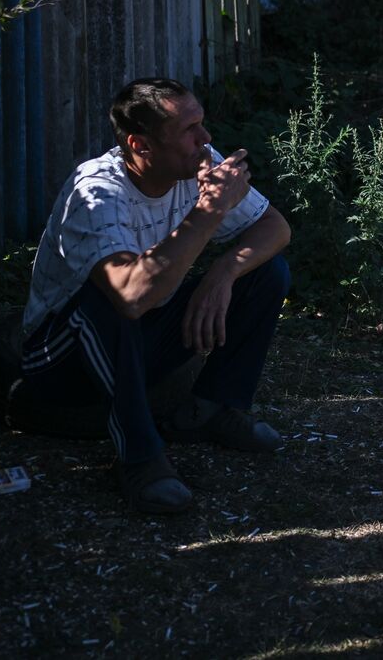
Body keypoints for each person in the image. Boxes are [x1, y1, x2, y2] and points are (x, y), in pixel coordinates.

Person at [19, 78, 292, 514]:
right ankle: (140, 458)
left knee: (266, 272)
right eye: (189, 130)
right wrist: (209, 213)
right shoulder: (97, 192)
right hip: (61, 359)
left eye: (202, 124)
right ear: (141, 145)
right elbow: (128, 296)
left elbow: (275, 228)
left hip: (141, 336)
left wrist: (223, 273)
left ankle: (211, 408)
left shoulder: (194, 163)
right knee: (112, 300)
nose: (205, 139)